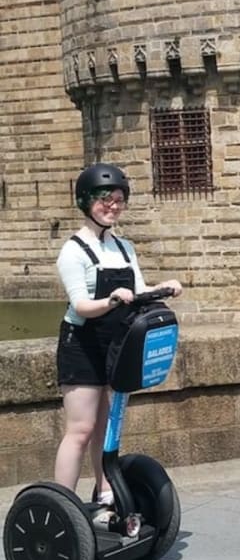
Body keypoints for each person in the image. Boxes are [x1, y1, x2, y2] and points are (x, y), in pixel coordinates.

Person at [55, 163, 183, 516]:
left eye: (118, 199)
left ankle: (106, 491)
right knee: (80, 429)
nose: (112, 205)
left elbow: (137, 290)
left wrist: (163, 288)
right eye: (103, 199)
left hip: (114, 343)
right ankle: (62, 508)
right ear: (86, 201)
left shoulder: (124, 247)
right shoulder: (73, 251)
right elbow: (80, 304)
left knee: (106, 425)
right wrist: (110, 300)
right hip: (81, 345)